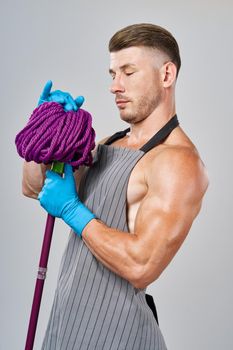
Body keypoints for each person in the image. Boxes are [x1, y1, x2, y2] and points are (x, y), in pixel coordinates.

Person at [22, 23, 209, 350]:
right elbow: (35, 187)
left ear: (166, 75)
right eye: (112, 74)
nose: (114, 86)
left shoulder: (178, 163)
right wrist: (43, 129)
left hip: (119, 338)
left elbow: (142, 266)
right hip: (66, 331)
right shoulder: (109, 143)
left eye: (128, 72)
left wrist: (72, 211)